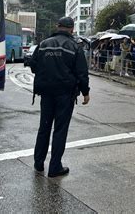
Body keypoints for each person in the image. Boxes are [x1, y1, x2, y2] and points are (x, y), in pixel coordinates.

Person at [30, 17, 90, 177]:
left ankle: (38, 163)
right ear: (71, 29)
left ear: (58, 26)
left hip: (46, 92)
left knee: (44, 128)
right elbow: (82, 73)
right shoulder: (75, 46)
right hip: (65, 94)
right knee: (60, 130)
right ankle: (55, 167)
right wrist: (85, 92)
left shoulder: (43, 44)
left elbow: (33, 65)